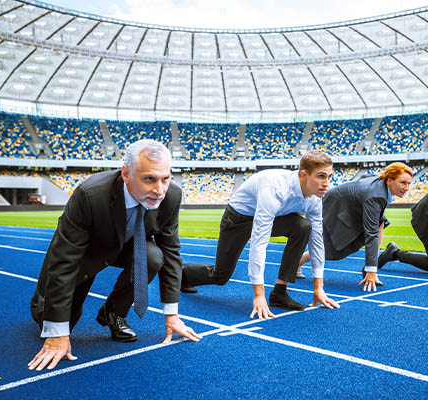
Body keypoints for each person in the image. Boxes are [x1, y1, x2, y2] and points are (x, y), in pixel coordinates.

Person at [28, 139, 200, 372]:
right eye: (149, 178)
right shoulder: (90, 195)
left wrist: (172, 314)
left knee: (153, 256)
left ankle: (114, 314)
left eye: (165, 178)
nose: (159, 189)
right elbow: (64, 260)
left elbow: (170, 251)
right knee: (56, 324)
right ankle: (41, 301)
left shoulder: (170, 196)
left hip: (129, 246)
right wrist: (57, 332)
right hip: (86, 252)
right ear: (126, 174)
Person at [181, 150, 340, 319]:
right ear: (303, 174)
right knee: (221, 276)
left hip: (273, 217)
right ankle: (183, 274)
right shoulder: (274, 189)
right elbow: (259, 241)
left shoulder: (315, 197)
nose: (326, 183)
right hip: (238, 218)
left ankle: (280, 292)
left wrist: (319, 287)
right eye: (321, 176)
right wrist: (258, 294)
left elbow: (316, 240)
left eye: (329, 177)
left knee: (303, 227)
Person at [297, 162, 413, 292]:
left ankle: (368, 267)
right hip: (336, 207)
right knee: (334, 251)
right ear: (389, 180)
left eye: (409, 183)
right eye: (403, 183)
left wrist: (370, 267)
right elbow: (371, 233)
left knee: (380, 222)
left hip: (353, 207)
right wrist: (371, 270)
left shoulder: (381, 186)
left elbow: (366, 177)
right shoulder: (376, 195)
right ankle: (298, 262)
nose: (407, 187)